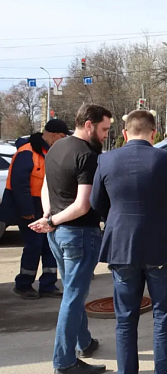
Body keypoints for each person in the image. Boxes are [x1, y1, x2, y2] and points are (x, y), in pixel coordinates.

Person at [89, 110, 167, 374]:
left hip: (122, 246)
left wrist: (115, 216)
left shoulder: (106, 159)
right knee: (164, 314)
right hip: (161, 246)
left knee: (125, 318)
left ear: (125, 134)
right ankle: (163, 369)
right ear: (154, 132)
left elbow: (95, 203)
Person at [29, 104, 112, 374]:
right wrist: (51, 219)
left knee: (73, 293)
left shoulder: (56, 148)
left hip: (58, 232)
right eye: (103, 129)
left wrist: (48, 215)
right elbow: (83, 205)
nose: (105, 136)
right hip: (78, 233)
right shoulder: (87, 155)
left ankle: (84, 342)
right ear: (88, 125)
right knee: (74, 297)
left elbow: (44, 187)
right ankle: (64, 362)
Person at [0, 119, 70, 299]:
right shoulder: (27, 152)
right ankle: (24, 284)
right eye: (62, 137)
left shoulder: (49, 152)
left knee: (49, 246)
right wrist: (26, 210)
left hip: (44, 206)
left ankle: (48, 284)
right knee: (34, 245)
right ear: (54, 135)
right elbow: (19, 184)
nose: (63, 141)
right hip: (28, 207)